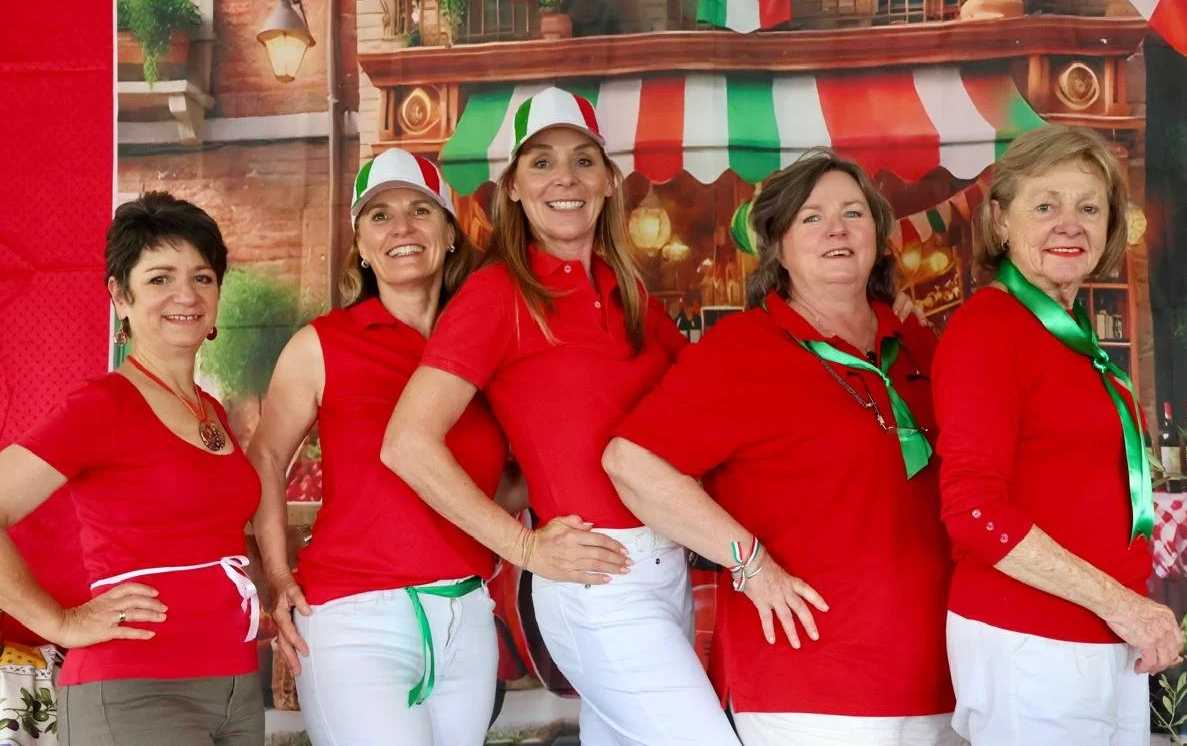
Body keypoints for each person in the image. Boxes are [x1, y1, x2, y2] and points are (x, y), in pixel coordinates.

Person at [381, 87, 742, 745]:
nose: (565, 179)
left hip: (667, 570)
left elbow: (710, 405)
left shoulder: (627, 289)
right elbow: (406, 442)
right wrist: (521, 544)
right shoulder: (498, 293)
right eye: (541, 163)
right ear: (513, 187)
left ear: (608, 181)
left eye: (582, 160)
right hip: (595, 584)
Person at [605, 150, 958, 746]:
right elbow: (630, 462)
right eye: (812, 218)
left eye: (853, 213)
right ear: (778, 245)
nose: (838, 229)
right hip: (808, 686)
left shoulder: (916, 339)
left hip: (942, 679)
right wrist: (751, 565)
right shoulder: (744, 349)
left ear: (877, 235)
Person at [247, 149, 511, 746]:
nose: (401, 228)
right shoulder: (322, 344)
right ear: (361, 247)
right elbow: (264, 458)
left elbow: (504, 478)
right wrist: (277, 572)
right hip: (354, 619)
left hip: (465, 614)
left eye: (421, 210)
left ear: (450, 234)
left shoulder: (486, 346)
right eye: (379, 216)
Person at [932, 124, 1183, 745]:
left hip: (1099, 635)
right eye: (1045, 205)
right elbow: (972, 510)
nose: (1069, 224)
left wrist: (1123, 609)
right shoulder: (989, 328)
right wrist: (1123, 605)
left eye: (1089, 207)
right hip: (1033, 642)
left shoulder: (1068, 337)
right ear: (1000, 222)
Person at [0, 192, 263, 745]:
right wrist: (58, 623)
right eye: (160, 278)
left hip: (237, 687)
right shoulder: (103, 406)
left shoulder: (209, 408)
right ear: (119, 295)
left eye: (203, 277)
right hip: (137, 691)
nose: (186, 295)